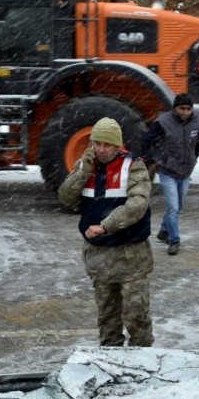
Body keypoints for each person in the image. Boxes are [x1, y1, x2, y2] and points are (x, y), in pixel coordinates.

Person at [58, 117, 154, 347]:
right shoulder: (86, 166)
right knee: (108, 320)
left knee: (136, 317)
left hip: (131, 256)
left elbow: (137, 206)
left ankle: (143, 363)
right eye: (97, 143)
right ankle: (111, 362)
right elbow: (65, 198)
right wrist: (82, 172)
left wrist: (105, 226)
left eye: (107, 144)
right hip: (99, 258)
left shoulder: (134, 166)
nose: (101, 150)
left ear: (118, 145)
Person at [138, 92, 199, 256]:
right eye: (182, 108)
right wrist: (152, 161)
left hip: (186, 171)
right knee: (173, 208)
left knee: (178, 206)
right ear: (175, 108)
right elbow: (146, 141)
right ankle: (174, 240)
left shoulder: (197, 122)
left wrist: (194, 157)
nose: (185, 112)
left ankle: (163, 230)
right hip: (167, 171)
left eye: (188, 109)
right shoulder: (162, 123)